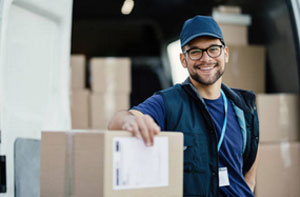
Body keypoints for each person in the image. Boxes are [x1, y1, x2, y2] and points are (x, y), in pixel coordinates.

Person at [108, 15, 259, 196]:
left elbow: (249, 178)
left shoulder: (244, 107)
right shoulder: (168, 102)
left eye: (213, 49)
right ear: (183, 60)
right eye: (195, 51)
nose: (206, 58)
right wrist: (128, 121)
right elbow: (117, 122)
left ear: (225, 53)